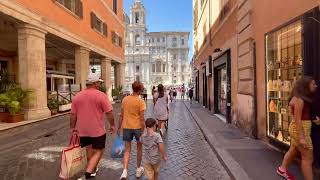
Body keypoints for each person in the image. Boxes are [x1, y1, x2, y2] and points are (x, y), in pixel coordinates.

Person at [70, 73, 115, 179]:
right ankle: (88, 171)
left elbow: (73, 115)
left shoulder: (77, 96)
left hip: (82, 130)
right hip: (97, 130)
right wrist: (112, 125)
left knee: (89, 149)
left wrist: (72, 128)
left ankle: (93, 169)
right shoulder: (101, 95)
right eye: (98, 82)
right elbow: (109, 113)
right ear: (95, 83)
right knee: (99, 150)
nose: (99, 84)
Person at [277, 76, 318, 180]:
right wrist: (302, 137)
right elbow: (297, 120)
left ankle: (282, 169)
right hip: (300, 130)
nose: (315, 86)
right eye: (313, 84)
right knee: (308, 158)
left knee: (293, 150)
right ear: (305, 86)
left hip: (299, 128)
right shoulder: (300, 100)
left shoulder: (298, 98)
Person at [118, 81, 146, 179]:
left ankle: (124, 171)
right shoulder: (141, 101)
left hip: (126, 127)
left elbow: (121, 115)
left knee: (127, 150)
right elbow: (142, 119)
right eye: (142, 88)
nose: (143, 89)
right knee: (139, 149)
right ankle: (138, 169)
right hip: (138, 127)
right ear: (139, 90)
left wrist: (118, 127)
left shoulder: (125, 99)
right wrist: (143, 131)